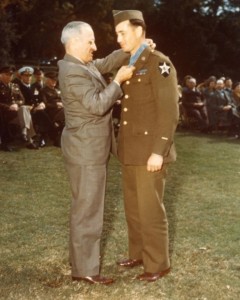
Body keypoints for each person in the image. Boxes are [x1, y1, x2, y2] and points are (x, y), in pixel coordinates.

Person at [58, 21, 135, 285]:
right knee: (88, 210)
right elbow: (96, 105)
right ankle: (86, 270)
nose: (95, 46)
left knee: (84, 207)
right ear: (75, 42)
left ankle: (79, 261)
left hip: (86, 148)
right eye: (90, 41)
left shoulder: (81, 65)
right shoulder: (72, 72)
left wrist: (133, 47)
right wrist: (118, 82)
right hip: (85, 151)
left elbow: (106, 60)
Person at [112, 10, 179, 282]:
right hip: (130, 150)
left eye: (122, 32)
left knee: (151, 209)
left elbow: (169, 111)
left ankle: (158, 264)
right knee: (134, 208)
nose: (118, 39)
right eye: (116, 33)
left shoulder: (159, 63)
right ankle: (138, 253)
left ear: (140, 30)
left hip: (150, 151)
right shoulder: (131, 61)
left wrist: (158, 151)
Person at [0, 65, 37, 150]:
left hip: (16, 114)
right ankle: (29, 140)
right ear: (1, 75)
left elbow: (22, 100)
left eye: (11, 75)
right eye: (7, 74)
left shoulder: (15, 86)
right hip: (4, 114)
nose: (9, 76)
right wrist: (8, 107)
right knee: (27, 115)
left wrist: (16, 104)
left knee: (24, 108)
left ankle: (24, 132)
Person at [39, 71, 64, 146]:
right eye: (52, 80)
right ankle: (58, 139)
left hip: (61, 110)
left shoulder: (58, 90)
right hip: (52, 112)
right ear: (47, 80)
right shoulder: (43, 91)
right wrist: (56, 105)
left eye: (55, 80)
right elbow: (45, 104)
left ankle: (60, 140)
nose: (54, 82)